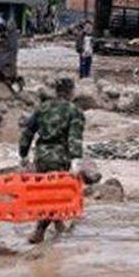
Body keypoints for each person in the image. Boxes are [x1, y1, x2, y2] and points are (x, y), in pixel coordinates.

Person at [19, 78, 85, 244]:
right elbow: (74, 137)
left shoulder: (42, 108)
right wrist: (76, 160)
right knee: (55, 195)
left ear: (56, 91)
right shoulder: (74, 111)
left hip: (41, 156)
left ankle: (58, 222)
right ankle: (39, 231)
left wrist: (23, 155)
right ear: (71, 92)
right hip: (60, 157)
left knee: (45, 193)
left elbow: (28, 132)